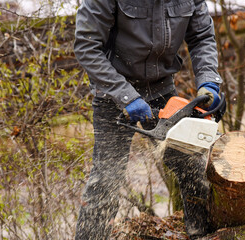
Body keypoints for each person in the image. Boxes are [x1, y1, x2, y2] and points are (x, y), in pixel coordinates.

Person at [74, 0, 222, 239]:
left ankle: (201, 234)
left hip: (161, 89)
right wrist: (126, 96)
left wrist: (208, 81)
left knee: (192, 167)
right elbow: (86, 47)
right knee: (106, 180)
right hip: (113, 92)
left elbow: (202, 37)